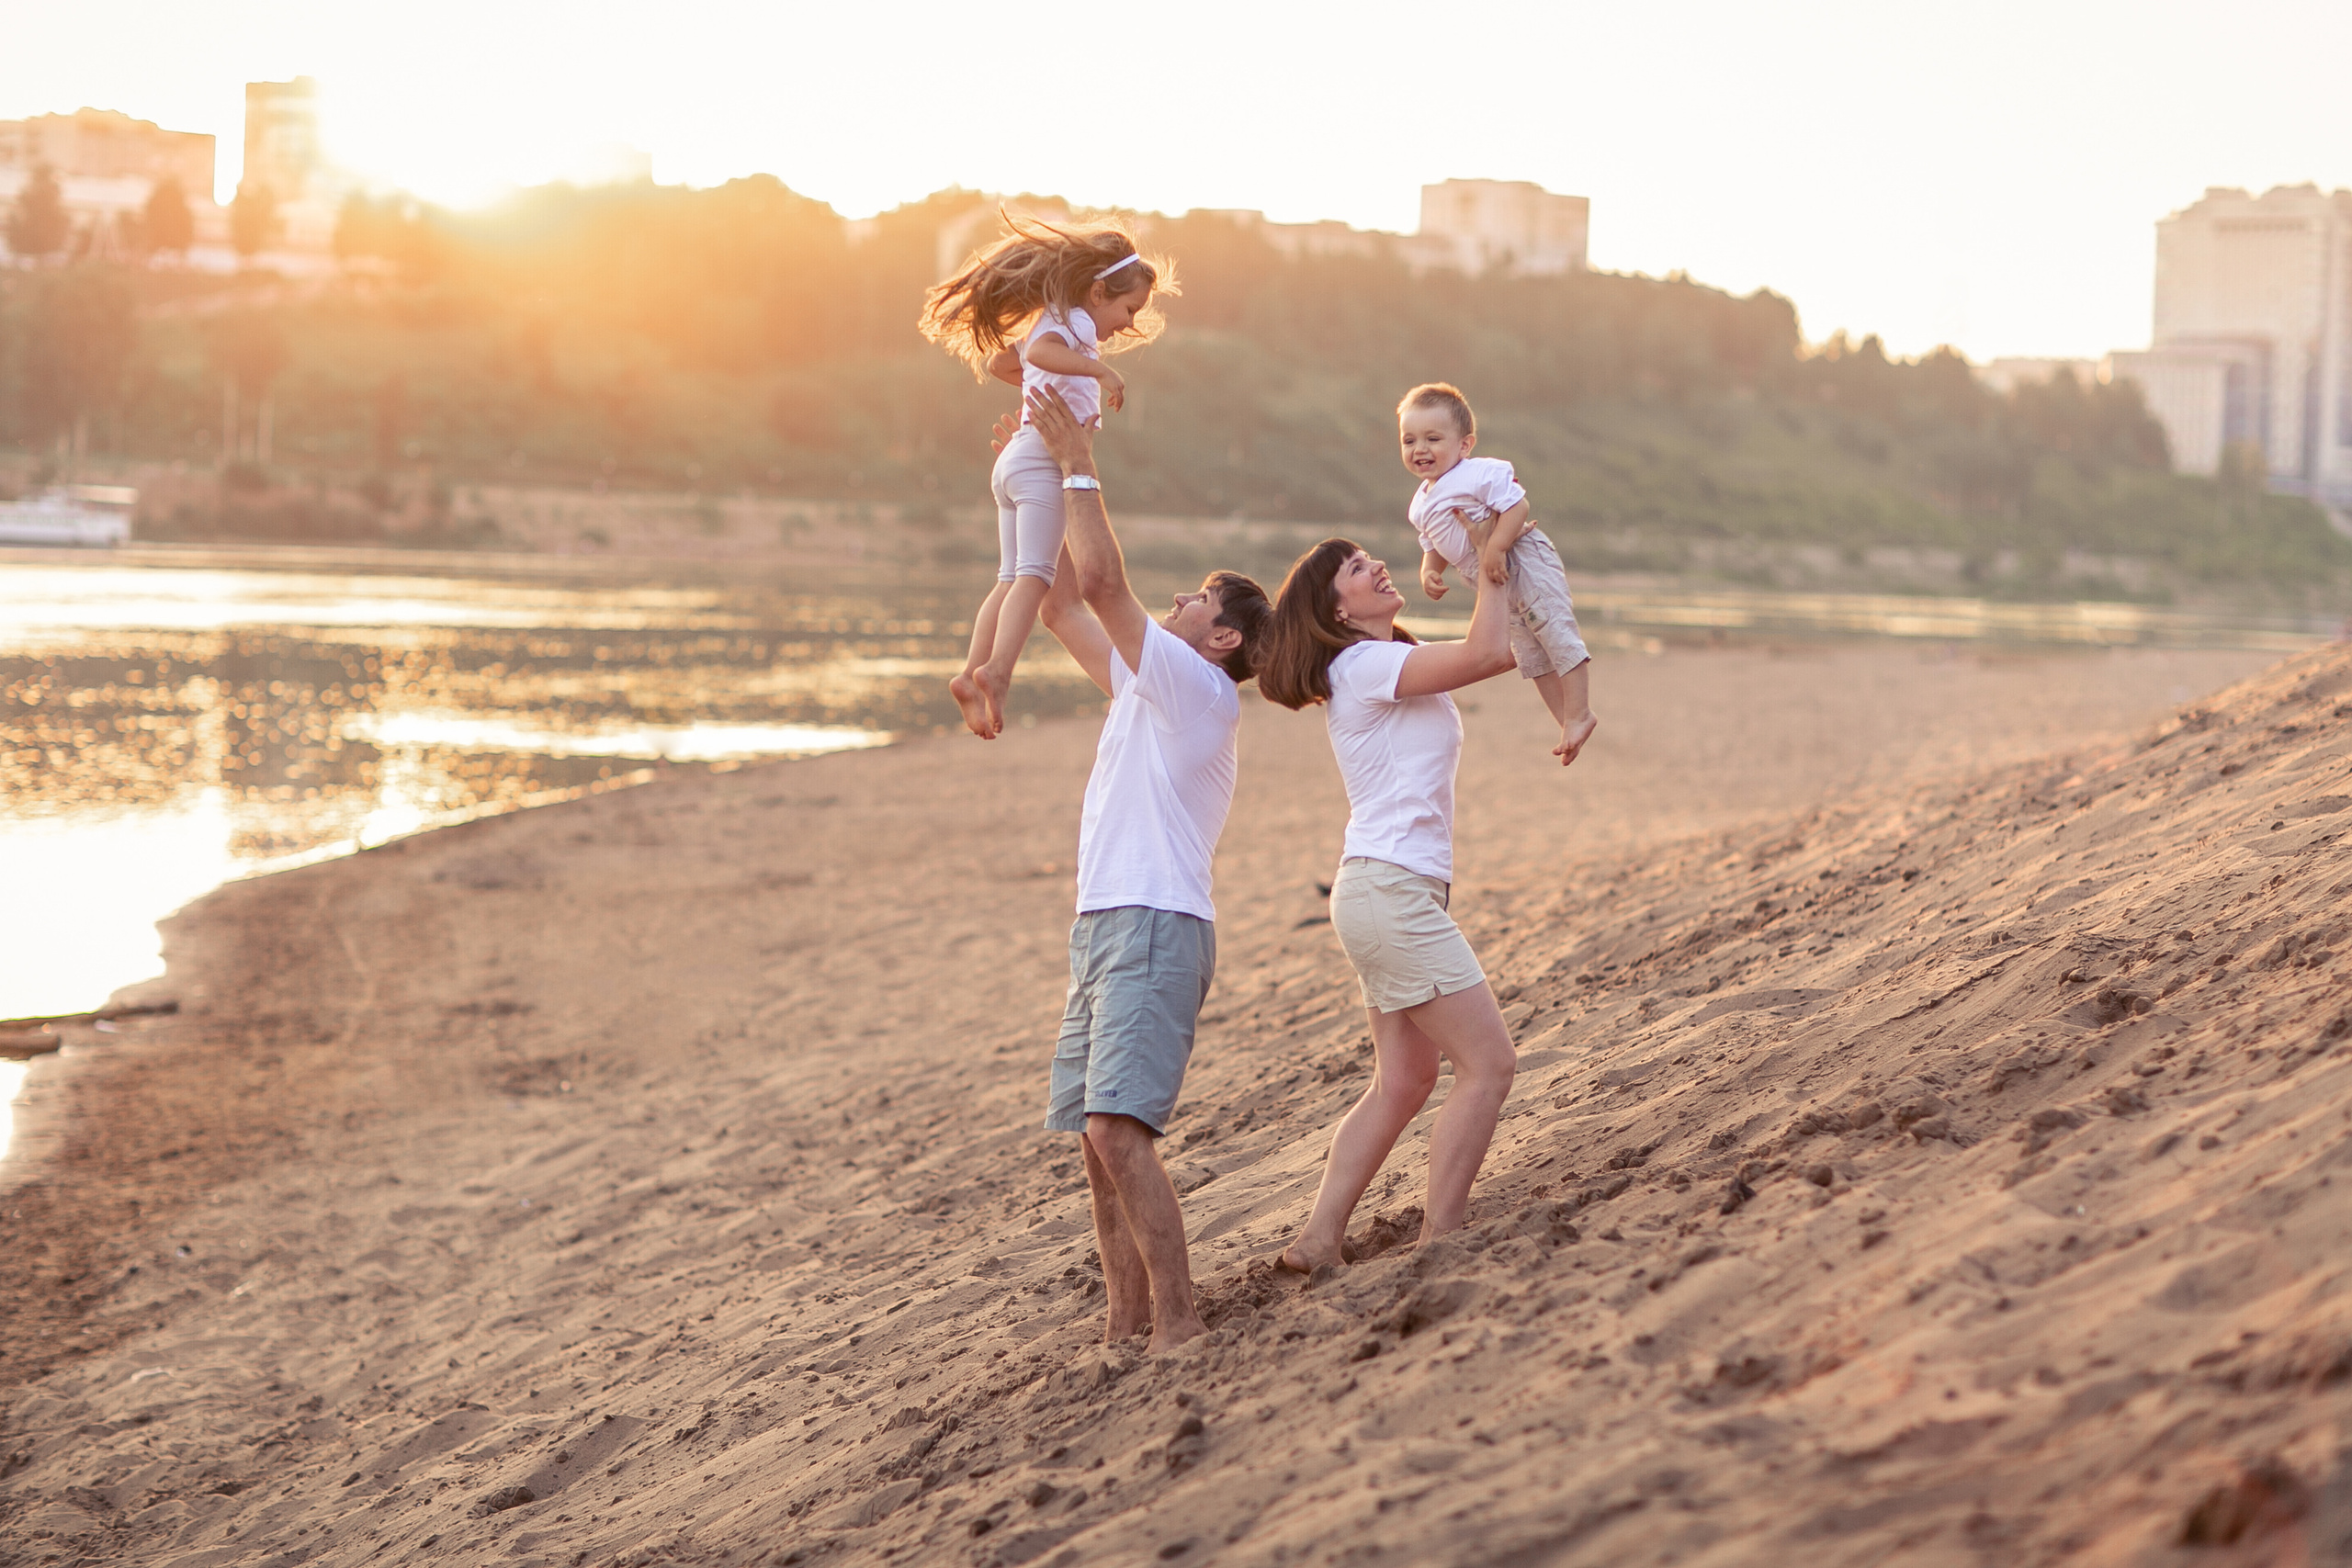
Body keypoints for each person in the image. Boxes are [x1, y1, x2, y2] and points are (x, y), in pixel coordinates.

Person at [1015, 383, 1272, 1350]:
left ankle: (1179, 1326)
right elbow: (1050, 606)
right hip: (1105, 924)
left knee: (1121, 1134)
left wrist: (1081, 455)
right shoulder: (1144, 682)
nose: (1176, 601)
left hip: (1156, 923)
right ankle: (1123, 1327)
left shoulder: (1199, 690)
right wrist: (1032, 474)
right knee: (1095, 1142)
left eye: (1195, 600)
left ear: (1224, 639)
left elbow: (1103, 590)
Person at [1257, 529, 1522, 1269]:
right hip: (1389, 890)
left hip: (1384, 891)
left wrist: (1492, 569)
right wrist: (1492, 561)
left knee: (1403, 1081)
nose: (1376, 564)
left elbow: (1489, 648)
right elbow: (1488, 653)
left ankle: (1317, 1239)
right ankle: (1443, 1235)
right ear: (1336, 610)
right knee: (1490, 1065)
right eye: (1356, 567)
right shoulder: (1365, 663)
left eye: (1370, 556)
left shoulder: (1378, 661)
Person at [918, 214, 1175, 739]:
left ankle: (970, 675)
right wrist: (1100, 371)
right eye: (1127, 309)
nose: (1127, 324)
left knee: (1010, 577)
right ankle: (997, 673)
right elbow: (1036, 354)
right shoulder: (1075, 325)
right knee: (1034, 577)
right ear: (1098, 290)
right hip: (1038, 462)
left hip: (1015, 458)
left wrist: (1036, 382)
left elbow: (1003, 365)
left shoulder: (1057, 321)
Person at [1400, 381, 1599, 768]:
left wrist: (1496, 548)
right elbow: (1432, 542)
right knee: (1530, 653)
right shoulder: (1420, 502)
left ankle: (1581, 712)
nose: (1419, 449)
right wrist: (1429, 570)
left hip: (1521, 558)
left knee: (1553, 630)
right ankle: (1566, 722)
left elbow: (1517, 507)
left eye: (1433, 438)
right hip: (1489, 576)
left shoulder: (1478, 473)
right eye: (1409, 441)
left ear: (1464, 445)